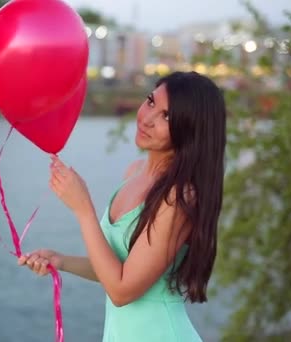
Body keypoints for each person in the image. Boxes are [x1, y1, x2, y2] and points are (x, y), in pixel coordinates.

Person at [18, 71, 226, 341]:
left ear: (190, 131)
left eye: (166, 117)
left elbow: (122, 290)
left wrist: (83, 209)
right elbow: (117, 268)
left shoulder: (179, 197)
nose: (148, 119)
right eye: (151, 102)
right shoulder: (134, 172)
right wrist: (61, 261)